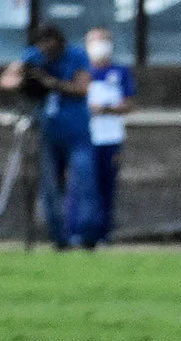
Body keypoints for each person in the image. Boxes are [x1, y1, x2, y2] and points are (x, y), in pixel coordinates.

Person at [1, 22, 99, 249]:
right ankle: (59, 237)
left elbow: (83, 88)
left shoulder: (76, 56)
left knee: (83, 182)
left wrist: (52, 83)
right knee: (49, 187)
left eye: (50, 46)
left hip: (76, 130)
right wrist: (25, 77)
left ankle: (88, 236)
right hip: (47, 131)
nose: (46, 50)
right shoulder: (34, 56)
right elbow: (8, 80)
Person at [82, 27, 135, 247]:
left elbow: (129, 103)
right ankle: (83, 232)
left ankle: (104, 233)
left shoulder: (120, 72)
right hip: (85, 138)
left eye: (104, 41)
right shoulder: (82, 72)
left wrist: (105, 109)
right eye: (95, 41)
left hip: (111, 139)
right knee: (85, 186)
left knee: (107, 186)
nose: (100, 46)